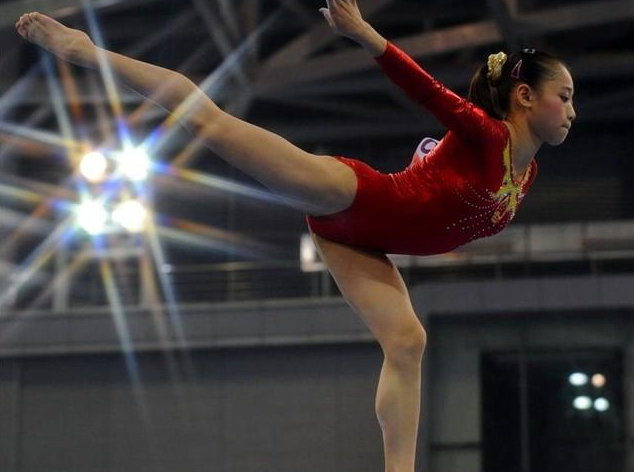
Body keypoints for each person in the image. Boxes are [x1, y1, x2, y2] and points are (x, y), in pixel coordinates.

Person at [15, 1, 576, 471]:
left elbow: (435, 181)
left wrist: (425, 160)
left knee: (407, 341)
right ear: (525, 96)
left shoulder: (526, 173)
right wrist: (364, 34)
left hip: (360, 241)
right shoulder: (488, 137)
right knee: (209, 121)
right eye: (565, 95)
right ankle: (85, 51)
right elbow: (426, 90)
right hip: (351, 196)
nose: (573, 109)